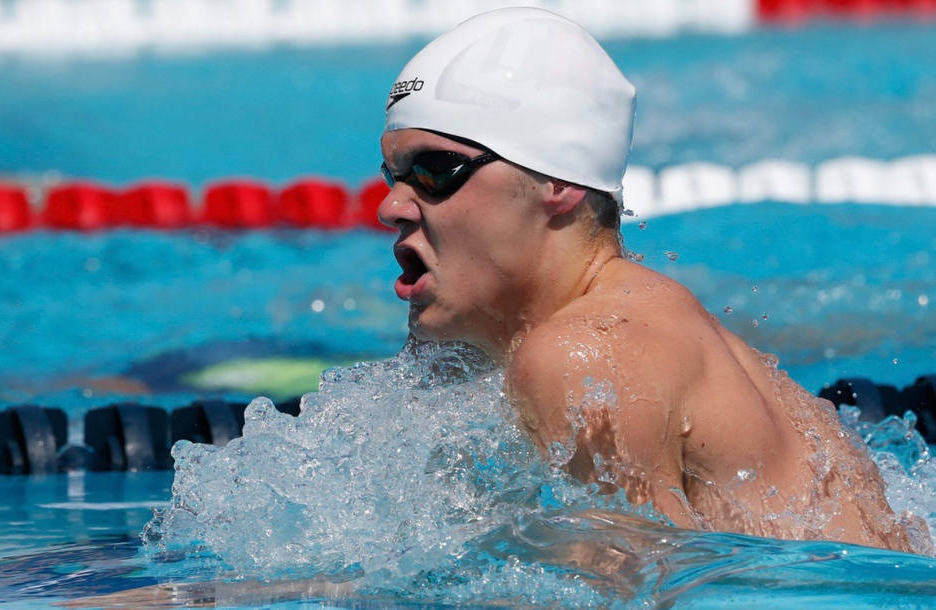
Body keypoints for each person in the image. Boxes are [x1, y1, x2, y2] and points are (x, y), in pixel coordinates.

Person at [377, 7, 922, 553]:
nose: (392, 206)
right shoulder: (645, 322)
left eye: (434, 171)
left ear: (558, 182)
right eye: (394, 176)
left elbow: (637, 592)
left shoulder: (580, 357)